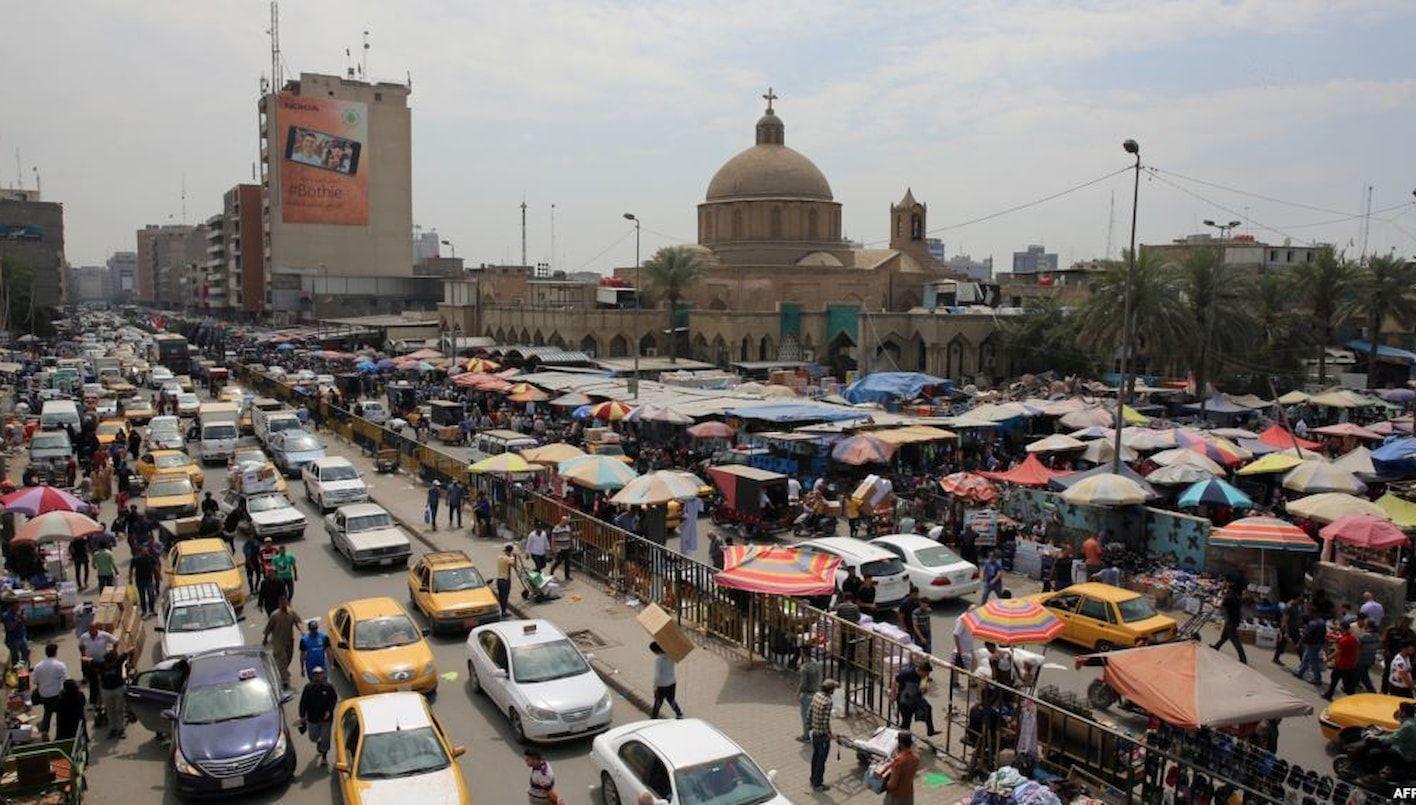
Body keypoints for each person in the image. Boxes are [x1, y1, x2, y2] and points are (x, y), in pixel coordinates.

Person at [298, 666, 338, 766]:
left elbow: (333, 700)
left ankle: (324, 757)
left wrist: (329, 711)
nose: (318, 677)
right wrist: (302, 716)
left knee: (325, 738)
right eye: (316, 675)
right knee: (313, 737)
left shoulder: (328, 687)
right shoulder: (308, 688)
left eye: (320, 674)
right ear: (313, 676)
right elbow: (303, 702)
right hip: (312, 718)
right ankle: (318, 743)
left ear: (323, 675)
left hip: (326, 719)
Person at [263, 595, 303, 689]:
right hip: (278, 642)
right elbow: (268, 628)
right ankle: (284, 681)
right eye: (282, 603)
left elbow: (298, 622)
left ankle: (282, 670)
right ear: (279, 604)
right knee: (282, 660)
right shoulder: (274, 615)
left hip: (289, 641)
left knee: (289, 658)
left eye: (285, 602)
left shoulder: (292, 613)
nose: (284, 604)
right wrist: (265, 639)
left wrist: (302, 631)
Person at [892, 660, 939, 736]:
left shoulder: (923, 676)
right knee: (906, 720)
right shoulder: (908, 673)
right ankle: (903, 739)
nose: (927, 675)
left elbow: (923, 686)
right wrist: (893, 693)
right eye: (926, 673)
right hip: (904, 699)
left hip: (915, 697)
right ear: (921, 670)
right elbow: (895, 679)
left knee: (928, 708)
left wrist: (924, 689)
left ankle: (930, 731)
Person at [808, 678, 839, 791]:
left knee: (815, 757)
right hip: (822, 736)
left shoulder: (817, 695)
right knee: (821, 760)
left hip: (815, 733)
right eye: (834, 689)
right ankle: (818, 783)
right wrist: (830, 735)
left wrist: (809, 726)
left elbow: (810, 711)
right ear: (830, 690)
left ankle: (812, 778)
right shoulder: (828, 702)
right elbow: (825, 722)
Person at [31, 643, 67, 739]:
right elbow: (66, 680)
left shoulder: (38, 666)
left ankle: (44, 732)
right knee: (60, 714)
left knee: (47, 713)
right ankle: (61, 734)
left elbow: (35, 681)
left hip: (44, 695)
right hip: (57, 694)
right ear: (55, 652)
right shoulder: (60, 665)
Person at [77, 623, 116, 707]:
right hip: (90, 663)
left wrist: (114, 651)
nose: (92, 632)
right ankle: (93, 702)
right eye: (90, 630)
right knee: (93, 682)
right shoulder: (84, 637)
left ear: (96, 629)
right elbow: (80, 646)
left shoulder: (104, 635)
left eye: (93, 630)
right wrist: (83, 655)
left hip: (103, 662)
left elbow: (115, 641)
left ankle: (106, 700)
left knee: (105, 680)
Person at [1210, 577, 1247, 664]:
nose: (1224, 585)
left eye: (1226, 585)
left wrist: (1211, 603)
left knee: (1234, 639)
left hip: (1231, 620)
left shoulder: (1229, 597)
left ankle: (1243, 659)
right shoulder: (1236, 595)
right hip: (1235, 618)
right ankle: (1217, 646)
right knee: (1224, 636)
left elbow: (1219, 607)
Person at [1324, 622, 1360, 701]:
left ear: (1343, 628)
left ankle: (1329, 694)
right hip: (1350, 665)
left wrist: (1328, 658)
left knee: (1334, 680)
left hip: (1341, 664)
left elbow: (1338, 651)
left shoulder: (1344, 640)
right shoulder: (1353, 639)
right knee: (1348, 685)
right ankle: (1352, 699)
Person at [881, 731, 920, 805]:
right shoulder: (916, 758)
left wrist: (884, 784)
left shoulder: (898, 762)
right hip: (908, 793)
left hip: (897, 796)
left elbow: (892, 784)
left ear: (901, 744)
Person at [1383, 616, 1416, 694]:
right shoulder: (1391, 630)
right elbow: (1384, 641)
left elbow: (1413, 645)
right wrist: (1386, 651)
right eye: (1403, 622)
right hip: (1392, 655)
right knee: (1387, 673)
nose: (1404, 624)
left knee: (1404, 672)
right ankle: (1384, 690)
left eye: (1406, 622)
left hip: (1405, 656)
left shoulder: (1410, 633)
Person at [650, 641, 683, 718]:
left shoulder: (658, 660)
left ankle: (654, 717)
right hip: (672, 682)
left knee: (658, 702)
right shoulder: (671, 655)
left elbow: (657, 676)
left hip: (661, 685)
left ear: (656, 651)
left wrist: (655, 687)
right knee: (671, 700)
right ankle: (679, 713)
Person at [1294, 611, 1327, 687]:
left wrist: (1300, 643)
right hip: (1319, 643)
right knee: (1306, 658)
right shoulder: (1322, 622)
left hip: (1312, 644)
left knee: (1314, 662)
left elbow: (1306, 635)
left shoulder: (1312, 624)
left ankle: (1317, 679)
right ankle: (1300, 672)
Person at [98, 652, 127, 739]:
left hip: (118, 689)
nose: (109, 665)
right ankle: (112, 729)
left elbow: (128, 651)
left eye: (111, 663)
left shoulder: (118, 661)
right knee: (110, 710)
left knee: (119, 709)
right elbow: (89, 661)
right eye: (107, 663)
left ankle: (120, 729)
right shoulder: (101, 664)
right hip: (106, 690)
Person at [796, 646, 821, 743]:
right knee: (815, 716)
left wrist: (797, 693)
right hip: (816, 692)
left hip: (807, 695)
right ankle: (815, 734)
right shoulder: (817, 664)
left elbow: (803, 684)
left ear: (802, 653)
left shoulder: (804, 668)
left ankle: (806, 736)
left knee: (806, 716)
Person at [129, 543, 160, 618]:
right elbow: (131, 569)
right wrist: (130, 579)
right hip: (140, 580)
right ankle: (144, 611)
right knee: (142, 596)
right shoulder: (135, 559)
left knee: (151, 595)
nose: (146, 552)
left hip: (149, 579)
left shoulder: (150, 557)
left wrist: (158, 575)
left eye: (146, 550)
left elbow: (156, 565)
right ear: (140, 552)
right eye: (144, 550)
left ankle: (152, 610)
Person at [1274, 596, 1305, 665]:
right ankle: (1276, 658)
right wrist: (1286, 632)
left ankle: (1303, 661)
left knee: (1296, 644)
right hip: (1288, 629)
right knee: (1283, 644)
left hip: (1294, 628)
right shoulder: (1289, 607)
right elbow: (1285, 620)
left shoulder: (1297, 607)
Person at [1356, 617, 1382, 692]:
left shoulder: (1363, 636)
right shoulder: (1377, 636)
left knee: (1363, 675)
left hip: (1361, 658)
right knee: (1361, 672)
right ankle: (1356, 685)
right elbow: (1379, 645)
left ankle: (1371, 690)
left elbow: (1358, 647)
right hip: (1371, 658)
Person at [547, 516, 575, 581]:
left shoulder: (568, 527)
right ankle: (551, 572)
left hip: (567, 547)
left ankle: (567, 576)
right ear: (562, 521)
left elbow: (570, 536)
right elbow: (553, 539)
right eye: (565, 522)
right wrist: (553, 548)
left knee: (567, 563)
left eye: (567, 522)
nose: (566, 523)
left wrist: (572, 544)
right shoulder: (556, 528)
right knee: (558, 561)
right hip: (560, 548)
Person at [3, 601, 29, 668]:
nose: (18, 607)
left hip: (22, 637)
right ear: (11, 606)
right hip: (13, 640)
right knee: (15, 657)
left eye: (18, 606)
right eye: (16, 606)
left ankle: (20, 667)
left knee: (26, 652)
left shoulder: (18, 613)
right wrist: (17, 620)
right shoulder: (7, 615)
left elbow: (25, 620)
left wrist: (23, 617)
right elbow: (10, 628)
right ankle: (16, 670)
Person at [496, 544, 515, 617]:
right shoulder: (508, 559)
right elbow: (514, 565)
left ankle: (501, 610)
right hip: (505, 580)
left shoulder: (499, 557)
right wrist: (513, 557)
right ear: (509, 552)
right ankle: (503, 612)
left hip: (499, 580)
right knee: (505, 597)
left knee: (501, 596)